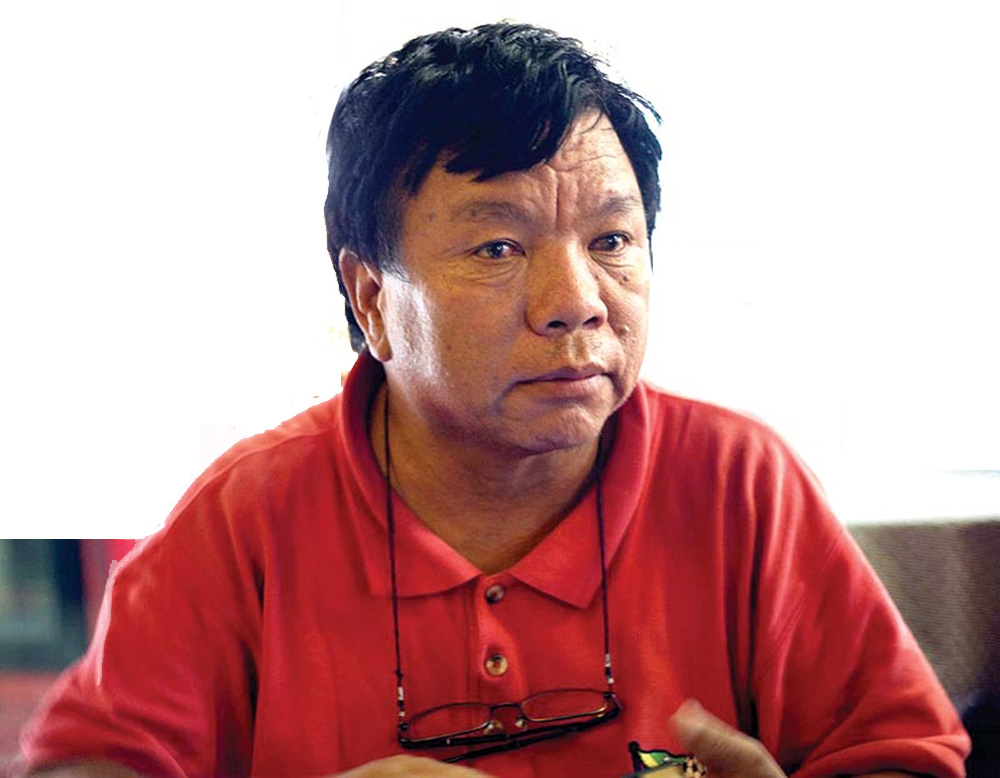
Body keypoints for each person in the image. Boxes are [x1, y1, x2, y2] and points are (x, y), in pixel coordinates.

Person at [18, 22, 968, 778]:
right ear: (371, 298)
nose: (576, 303)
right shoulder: (248, 514)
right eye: (498, 248)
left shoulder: (738, 482)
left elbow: (901, 753)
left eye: (612, 241)